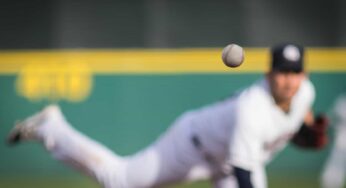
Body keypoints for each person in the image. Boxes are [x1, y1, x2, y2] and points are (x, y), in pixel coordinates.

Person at [7, 43, 329, 188]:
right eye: (282, 72)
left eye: (295, 72)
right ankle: (53, 129)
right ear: (268, 73)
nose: (289, 80)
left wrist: (304, 127)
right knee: (119, 180)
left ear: (305, 74)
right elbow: (243, 173)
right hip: (193, 146)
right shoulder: (252, 108)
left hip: (230, 160)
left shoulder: (306, 94)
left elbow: (302, 118)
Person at [321, 93, 346, 188]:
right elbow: (330, 119)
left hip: (341, 140)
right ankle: (330, 183)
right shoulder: (342, 102)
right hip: (342, 140)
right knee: (335, 165)